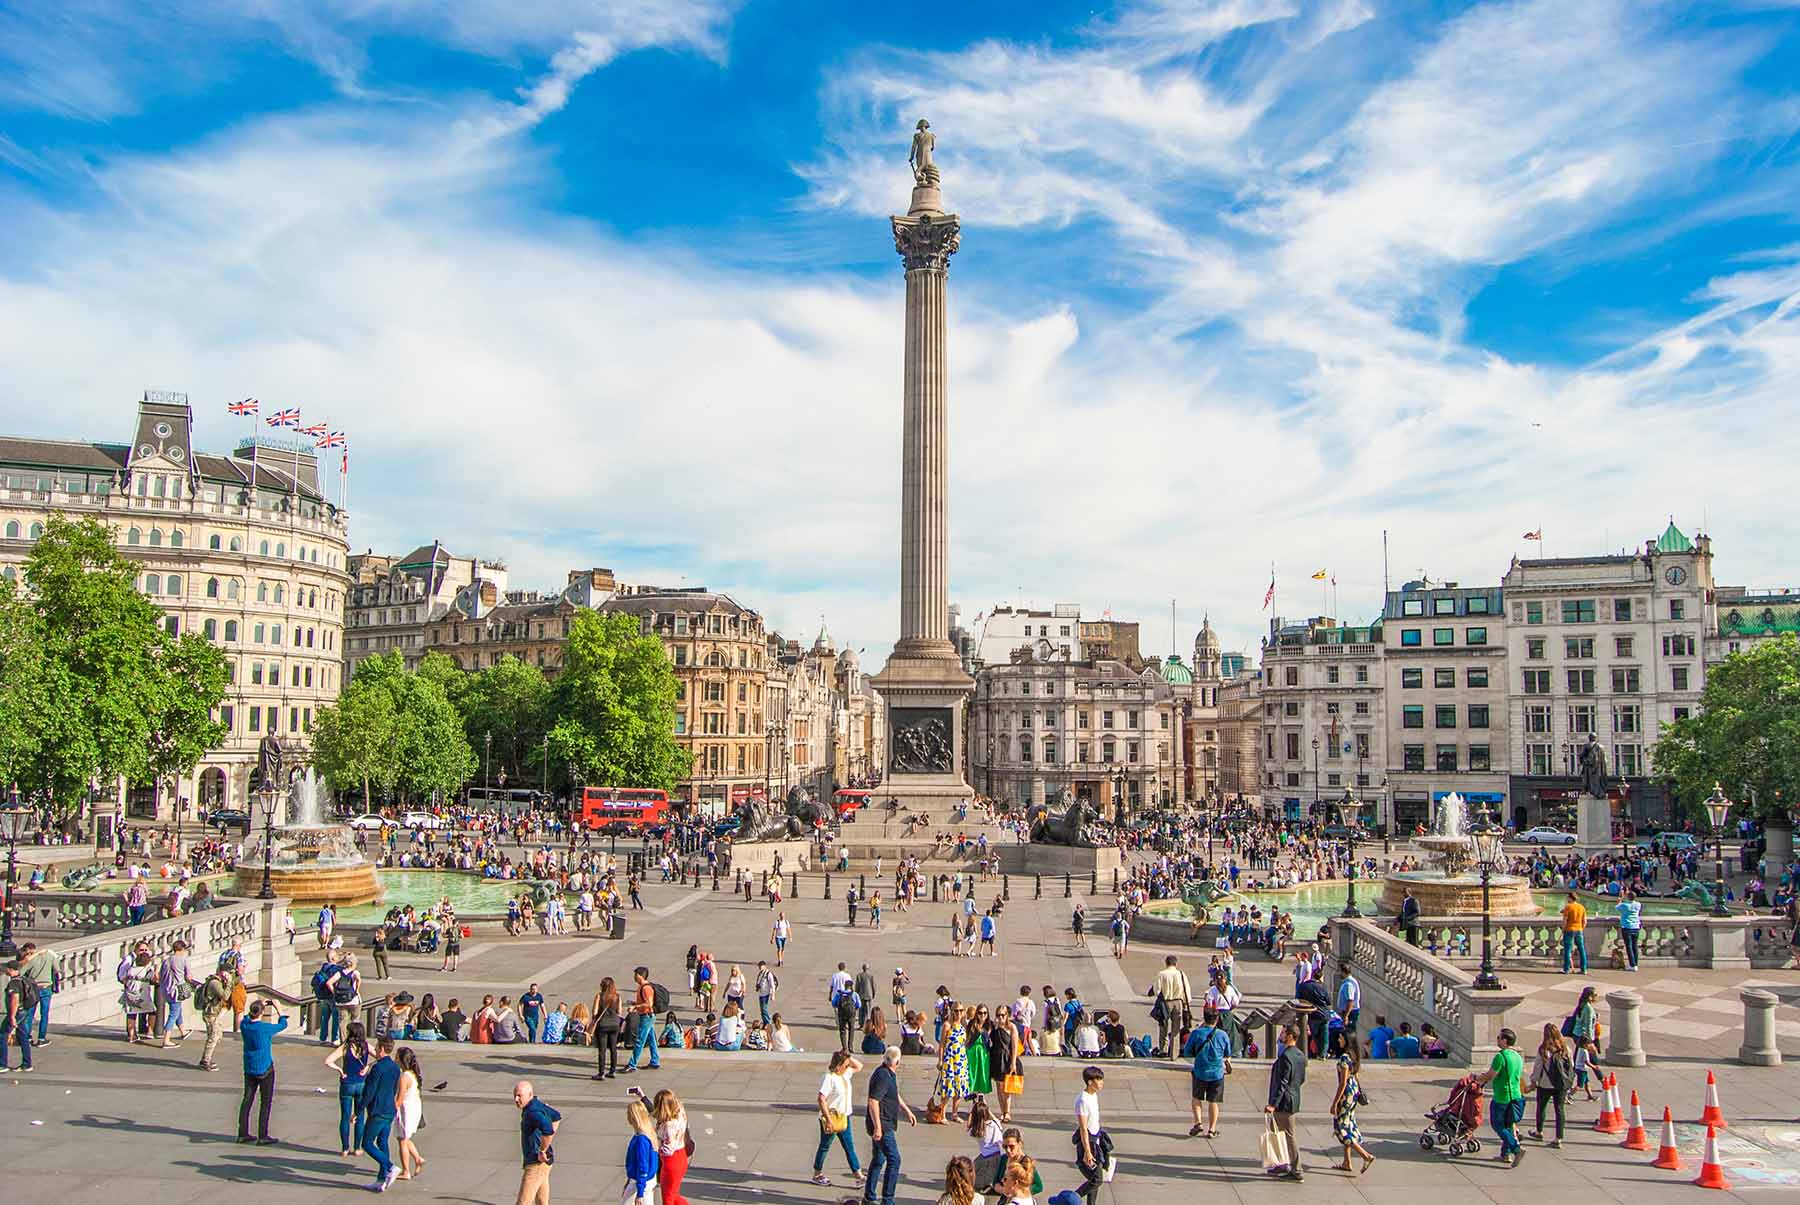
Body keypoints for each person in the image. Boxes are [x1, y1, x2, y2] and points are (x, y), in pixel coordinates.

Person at [864, 1046, 916, 1205]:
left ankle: (869, 1196)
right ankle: (887, 1200)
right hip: (883, 1125)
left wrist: (907, 1110)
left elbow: (893, 1094)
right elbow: (873, 1101)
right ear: (897, 1062)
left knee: (879, 1159)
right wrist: (878, 1128)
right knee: (894, 1159)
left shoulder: (887, 1073)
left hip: (882, 1123)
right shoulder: (884, 1076)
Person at [237, 999, 288, 1145]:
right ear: (262, 1013)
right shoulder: (264, 1028)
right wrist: (279, 1009)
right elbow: (283, 1024)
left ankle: (242, 1133)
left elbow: (246, 1017)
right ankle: (263, 1135)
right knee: (265, 1102)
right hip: (265, 1068)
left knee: (247, 1099)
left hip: (249, 1067)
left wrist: (259, 1005)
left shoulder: (245, 1025)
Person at [813, 1050, 865, 1187]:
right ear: (838, 1065)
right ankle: (817, 1174)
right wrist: (828, 1119)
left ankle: (858, 1175)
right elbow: (821, 1099)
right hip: (832, 1117)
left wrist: (848, 1057)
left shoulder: (845, 1074)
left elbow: (859, 1066)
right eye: (845, 1065)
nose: (848, 1067)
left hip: (844, 1116)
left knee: (849, 1146)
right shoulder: (829, 1078)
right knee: (825, 1146)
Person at [1476, 1026, 1526, 1167]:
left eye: (1499, 1038)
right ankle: (1506, 1154)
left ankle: (1516, 1149)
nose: (1497, 1040)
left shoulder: (1500, 1056)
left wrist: (1478, 1079)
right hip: (1516, 1095)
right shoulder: (1517, 1056)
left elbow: (1491, 1075)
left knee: (1498, 1124)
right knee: (1509, 1125)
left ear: (1504, 1041)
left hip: (1502, 1096)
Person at [1182, 1006, 1231, 1138]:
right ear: (1217, 1019)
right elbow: (1227, 1053)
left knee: (1196, 1098)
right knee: (1213, 1101)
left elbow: (1187, 1052)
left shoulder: (1196, 1033)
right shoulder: (1222, 1035)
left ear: (1204, 1017)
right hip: (1217, 1073)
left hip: (1200, 1071)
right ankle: (1212, 1129)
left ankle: (1198, 1123)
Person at [1264, 1023, 1306, 1181]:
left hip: (1284, 1102)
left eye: (1282, 1033)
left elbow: (1283, 1082)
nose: (1280, 1035)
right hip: (1293, 1099)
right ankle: (1282, 1163)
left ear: (1289, 1036)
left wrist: (1273, 1104)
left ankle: (1296, 1169)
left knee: (1288, 1135)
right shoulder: (1300, 1055)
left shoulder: (1286, 1056)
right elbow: (1301, 1079)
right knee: (1277, 1131)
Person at [1328, 1031, 1375, 1173]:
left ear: (1346, 1040)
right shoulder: (1354, 1056)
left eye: (1341, 1037)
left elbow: (1342, 1083)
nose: (1338, 1039)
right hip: (1353, 1091)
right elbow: (1355, 1076)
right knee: (1349, 1122)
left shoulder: (1344, 1058)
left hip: (1346, 1092)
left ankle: (1365, 1155)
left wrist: (1335, 1102)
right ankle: (1347, 1162)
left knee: (1341, 1127)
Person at [325, 1021, 372, 1157]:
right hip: (361, 1083)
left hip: (347, 1084)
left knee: (345, 1117)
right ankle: (357, 1148)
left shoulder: (345, 1048)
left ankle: (345, 1148)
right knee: (360, 1116)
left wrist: (340, 1070)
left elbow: (328, 1060)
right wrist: (367, 1066)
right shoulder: (366, 1046)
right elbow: (381, 1057)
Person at [362, 1036, 402, 1191]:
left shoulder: (378, 1068)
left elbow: (369, 1091)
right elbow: (393, 1089)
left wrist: (359, 1110)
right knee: (382, 1142)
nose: (376, 1051)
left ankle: (390, 1167)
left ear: (382, 1049)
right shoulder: (394, 1067)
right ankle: (381, 1178)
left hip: (377, 1110)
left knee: (367, 1143)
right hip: (389, 1109)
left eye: (377, 1047)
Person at [1528, 1021, 1574, 1148]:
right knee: (1559, 1110)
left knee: (1541, 1107)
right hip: (1560, 1085)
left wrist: (1533, 1081)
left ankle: (1539, 1131)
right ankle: (1558, 1138)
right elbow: (1571, 1066)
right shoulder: (1565, 1049)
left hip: (1545, 1084)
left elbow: (1538, 1068)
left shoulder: (1544, 1050)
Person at [515, 1080, 561, 1205]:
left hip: (535, 1164)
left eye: (520, 1095)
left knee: (523, 1202)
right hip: (543, 1164)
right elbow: (556, 1116)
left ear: (530, 1095)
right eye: (515, 1094)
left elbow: (548, 1130)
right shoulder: (536, 1105)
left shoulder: (532, 1113)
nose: (516, 1099)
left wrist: (542, 1150)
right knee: (542, 1201)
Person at [1073, 1065, 1110, 1205]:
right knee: (1097, 1179)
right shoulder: (1083, 1100)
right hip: (1088, 1143)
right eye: (1099, 1080)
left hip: (1096, 1139)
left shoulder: (1093, 1095)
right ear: (1090, 1082)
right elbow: (1083, 1128)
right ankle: (1072, 1197)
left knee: (1095, 1179)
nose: (1102, 1083)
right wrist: (1087, 1152)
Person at [932, 1005, 971, 1122]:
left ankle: (955, 1113)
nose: (958, 1013)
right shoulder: (947, 1025)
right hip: (950, 1059)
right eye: (956, 1011)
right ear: (952, 1012)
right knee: (948, 1087)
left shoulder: (964, 1026)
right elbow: (942, 1044)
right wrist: (940, 1060)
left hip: (961, 1059)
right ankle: (942, 1113)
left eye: (960, 1010)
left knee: (959, 1087)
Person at [195, 961, 236, 1071]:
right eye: (229, 973)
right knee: (213, 1037)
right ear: (223, 972)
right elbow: (225, 996)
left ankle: (207, 1057)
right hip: (211, 1013)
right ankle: (205, 1060)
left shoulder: (218, 981)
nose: (230, 976)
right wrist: (229, 983)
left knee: (217, 1036)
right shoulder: (215, 983)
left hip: (214, 1012)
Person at [1152, 955, 1193, 1058]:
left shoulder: (1161, 974)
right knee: (1176, 1029)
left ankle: (1163, 1050)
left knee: (1163, 1027)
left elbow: (1156, 990)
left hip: (1165, 1002)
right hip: (1178, 1002)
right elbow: (1186, 990)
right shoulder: (1181, 974)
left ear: (1166, 963)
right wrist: (1185, 1003)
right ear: (1176, 963)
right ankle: (1174, 1053)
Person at [17, 942, 56, 1048]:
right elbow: (56, 969)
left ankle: (28, 1037)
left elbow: (20, 972)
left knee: (30, 1014)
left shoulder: (31, 960)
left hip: (34, 988)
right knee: (44, 1014)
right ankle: (41, 1038)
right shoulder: (49, 956)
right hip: (46, 987)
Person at [623, 966, 661, 1071]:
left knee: (640, 1040)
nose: (634, 977)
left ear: (640, 976)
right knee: (652, 1039)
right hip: (647, 1016)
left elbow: (649, 1004)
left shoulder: (646, 988)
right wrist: (635, 1003)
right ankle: (655, 1061)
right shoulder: (642, 987)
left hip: (646, 1017)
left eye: (635, 975)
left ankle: (632, 1064)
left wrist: (635, 1007)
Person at [624, 1098, 660, 1204]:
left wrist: (639, 1192)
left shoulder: (641, 1139)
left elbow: (642, 1166)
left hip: (640, 1183)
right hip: (649, 1180)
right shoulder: (649, 1133)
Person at [1, 960, 32, 1072]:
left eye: (7, 968)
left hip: (17, 1012)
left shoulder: (13, 983)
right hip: (24, 1011)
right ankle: (27, 1064)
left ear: (10, 969)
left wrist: (12, 1017)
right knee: (23, 1037)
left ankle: (2, 1064)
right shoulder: (23, 979)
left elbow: (15, 999)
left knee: (2, 1035)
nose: (5, 970)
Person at [593, 976, 624, 1079]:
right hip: (614, 1025)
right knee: (613, 1048)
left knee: (602, 1050)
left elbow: (595, 1012)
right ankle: (612, 1071)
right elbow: (619, 1012)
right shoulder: (617, 997)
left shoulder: (599, 996)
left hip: (602, 1025)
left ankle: (601, 1073)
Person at [1559, 891, 1588, 974]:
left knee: (1567, 949)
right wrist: (1581, 928)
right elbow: (1585, 921)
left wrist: (1563, 929)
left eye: (1567, 897)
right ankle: (1584, 969)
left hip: (1569, 929)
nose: (1566, 899)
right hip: (1579, 929)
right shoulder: (1581, 907)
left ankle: (1566, 969)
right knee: (1581, 949)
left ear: (1570, 898)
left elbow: (1565, 921)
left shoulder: (1568, 907)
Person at [1615, 890, 1643, 971]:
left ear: (1628, 897)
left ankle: (1632, 965)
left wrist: (1621, 898)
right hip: (1636, 926)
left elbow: (1617, 906)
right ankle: (1635, 964)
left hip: (1627, 927)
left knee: (1629, 946)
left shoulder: (1624, 905)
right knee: (1635, 946)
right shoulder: (1638, 904)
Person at [1334, 962, 1361, 1032]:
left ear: (1343, 972)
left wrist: (1346, 1016)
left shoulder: (1348, 984)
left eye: (1339, 971)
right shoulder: (1349, 981)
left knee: (1349, 1033)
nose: (1338, 973)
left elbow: (1350, 1001)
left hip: (1350, 1013)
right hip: (1350, 1012)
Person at [755, 960, 779, 1025]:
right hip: (761, 993)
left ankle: (768, 1022)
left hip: (765, 994)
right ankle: (765, 1022)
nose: (760, 968)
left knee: (764, 1009)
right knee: (762, 1009)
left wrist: (773, 995)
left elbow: (772, 985)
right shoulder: (760, 973)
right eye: (759, 966)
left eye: (761, 966)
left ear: (764, 966)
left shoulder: (768, 974)